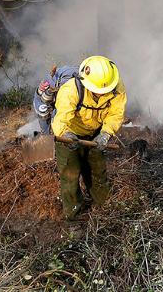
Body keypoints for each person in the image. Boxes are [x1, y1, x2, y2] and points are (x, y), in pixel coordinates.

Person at [51, 55, 126, 220]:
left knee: (97, 171)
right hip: (69, 134)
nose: (101, 94)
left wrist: (105, 134)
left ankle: (105, 206)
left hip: (95, 134)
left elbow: (116, 114)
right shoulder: (71, 90)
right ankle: (73, 214)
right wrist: (66, 134)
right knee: (70, 176)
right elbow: (61, 118)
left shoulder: (116, 87)